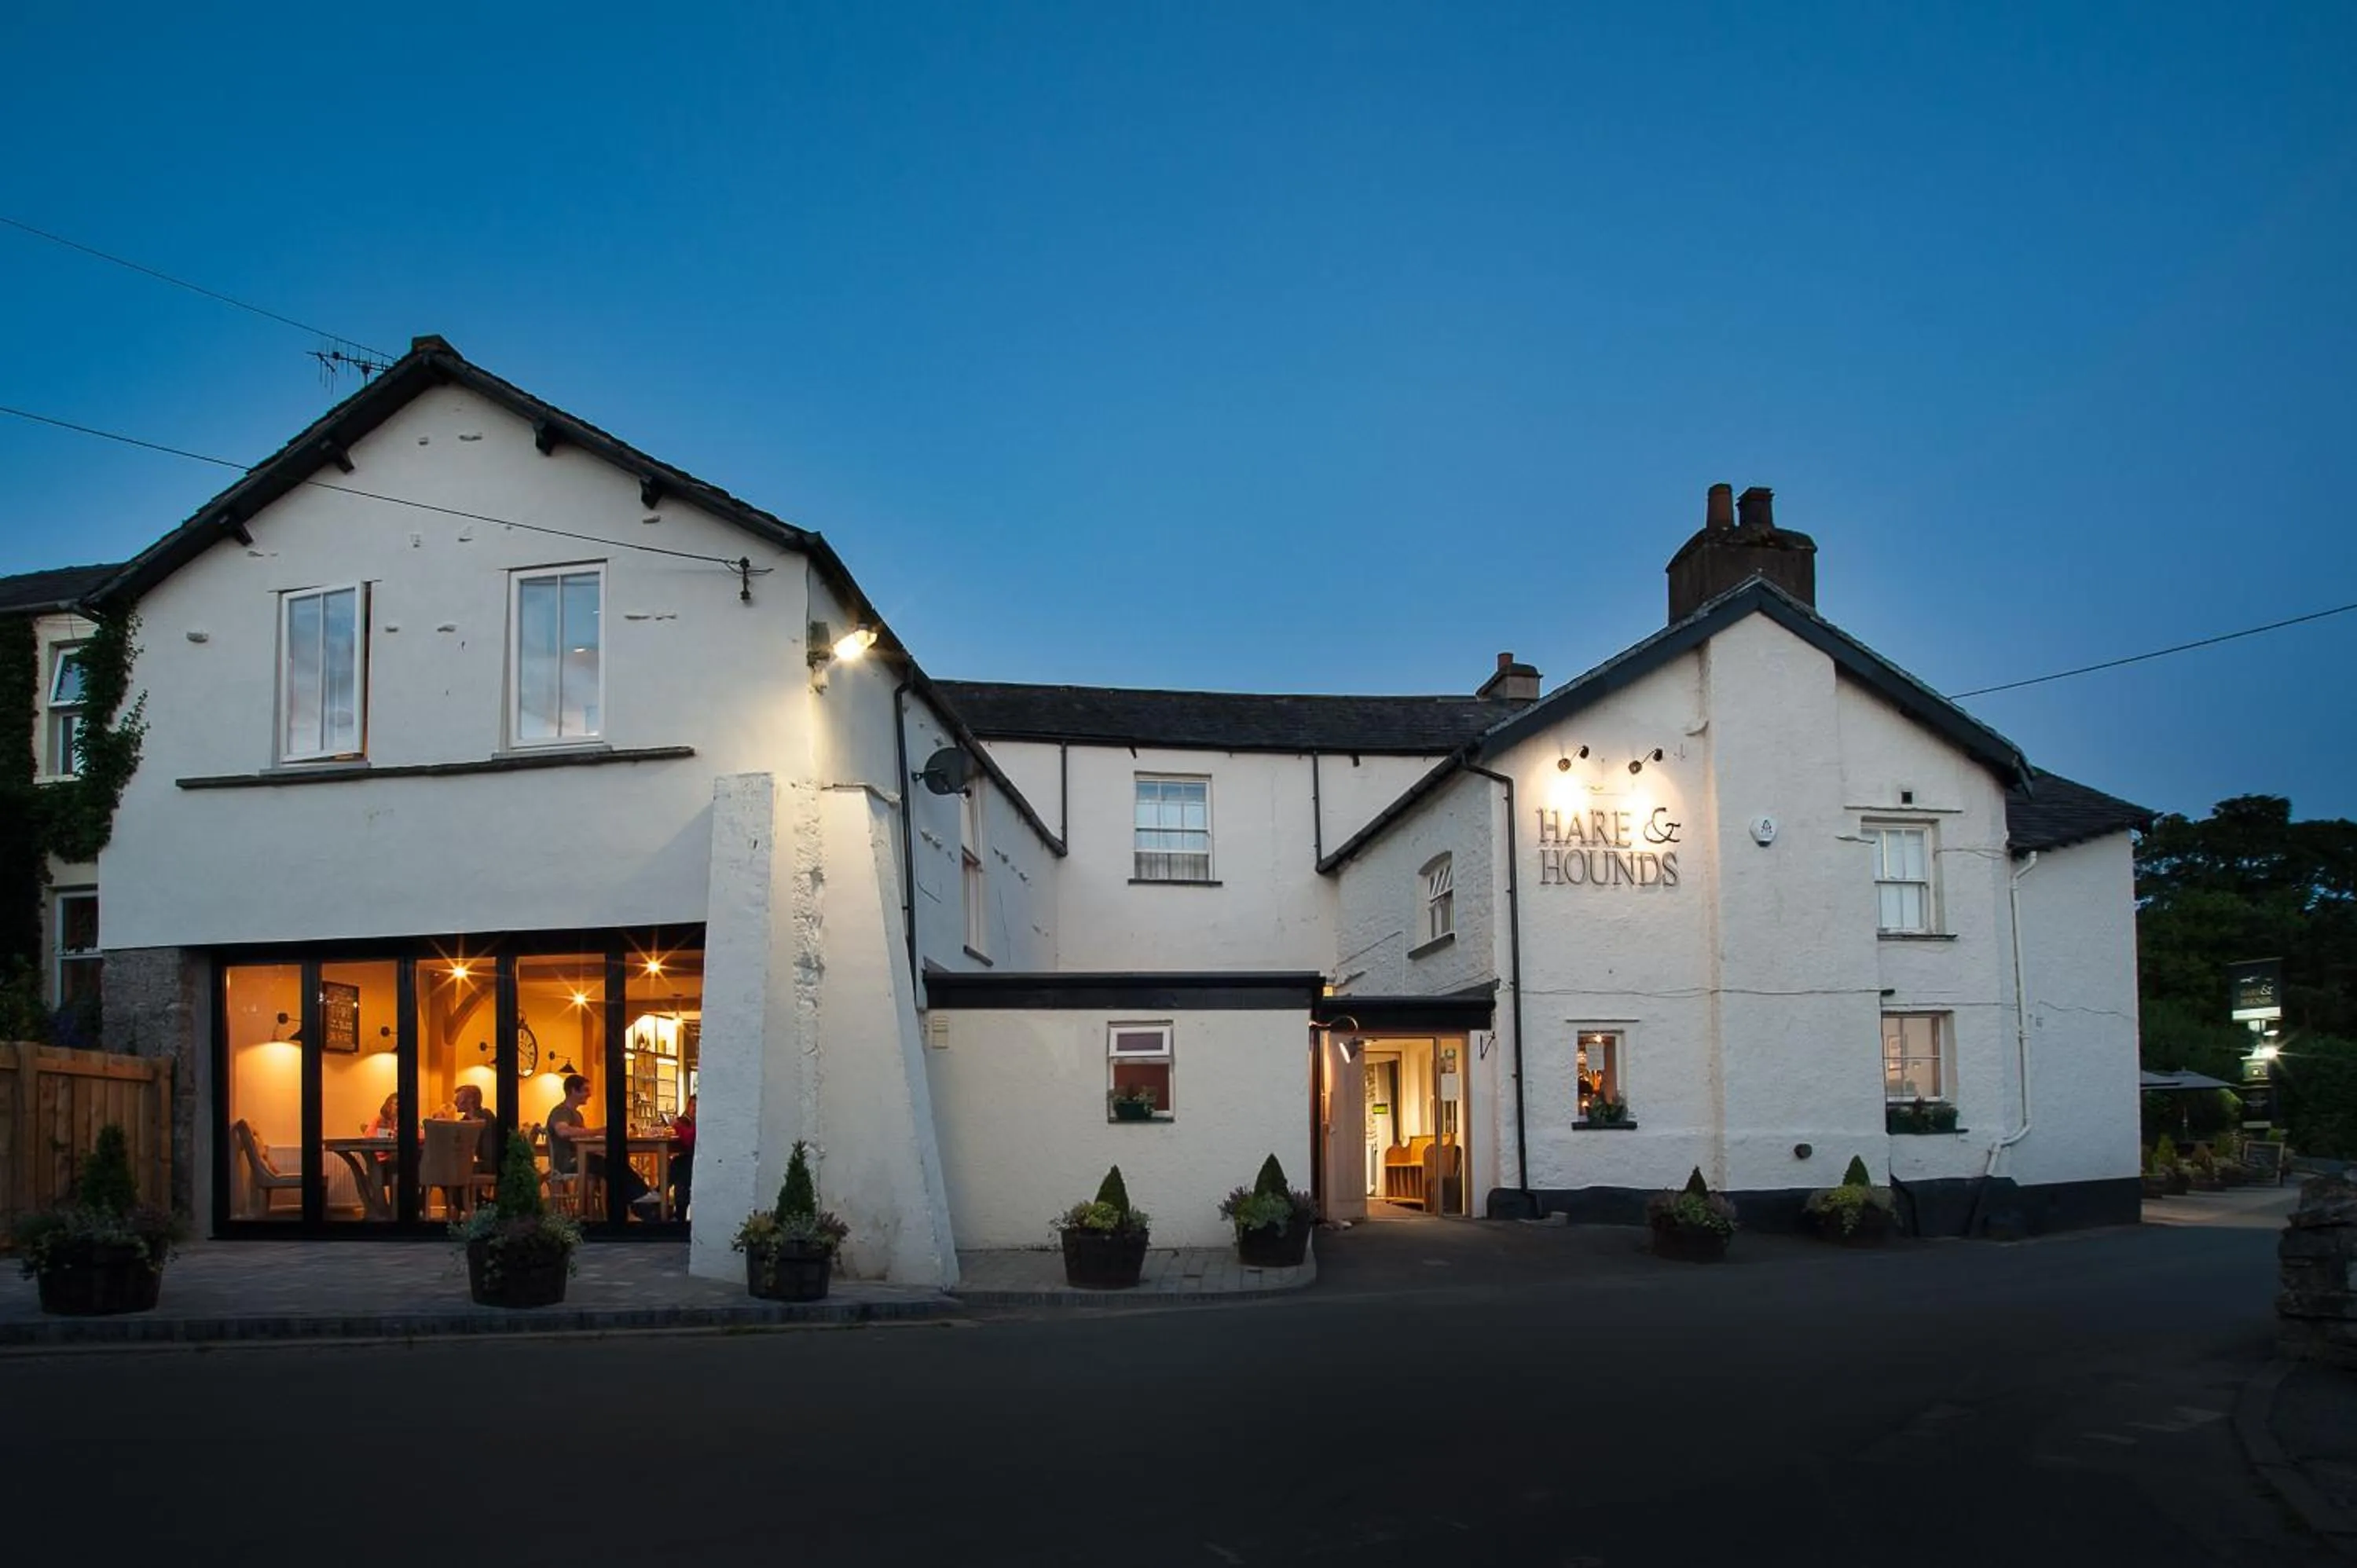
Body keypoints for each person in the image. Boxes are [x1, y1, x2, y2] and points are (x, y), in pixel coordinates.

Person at [547, 1074, 659, 1219]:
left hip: (580, 1159)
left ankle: (642, 1204)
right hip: (568, 1162)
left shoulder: (577, 1114)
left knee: (615, 1163)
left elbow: (580, 1138)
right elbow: (562, 1131)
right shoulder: (561, 1111)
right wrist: (597, 1131)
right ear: (573, 1091)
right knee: (613, 1166)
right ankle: (644, 1203)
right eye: (585, 1090)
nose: (590, 1094)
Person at [453, 1083, 504, 1178]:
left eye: (459, 1097)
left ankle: (470, 1192)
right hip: (474, 1163)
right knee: (444, 1169)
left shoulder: (486, 1116)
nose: (455, 1101)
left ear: (470, 1099)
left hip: (488, 1165)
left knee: (447, 1171)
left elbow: (488, 1150)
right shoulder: (466, 1120)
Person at [666, 1095, 696, 1222]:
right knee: (680, 1167)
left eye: (696, 1106)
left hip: (699, 1161)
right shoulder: (691, 1122)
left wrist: (676, 1126)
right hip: (692, 1160)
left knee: (679, 1166)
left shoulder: (700, 1122)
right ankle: (679, 1215)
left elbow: (689, 1139)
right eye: (692, 1105)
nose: (694, 1109)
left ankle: (658, 1194)